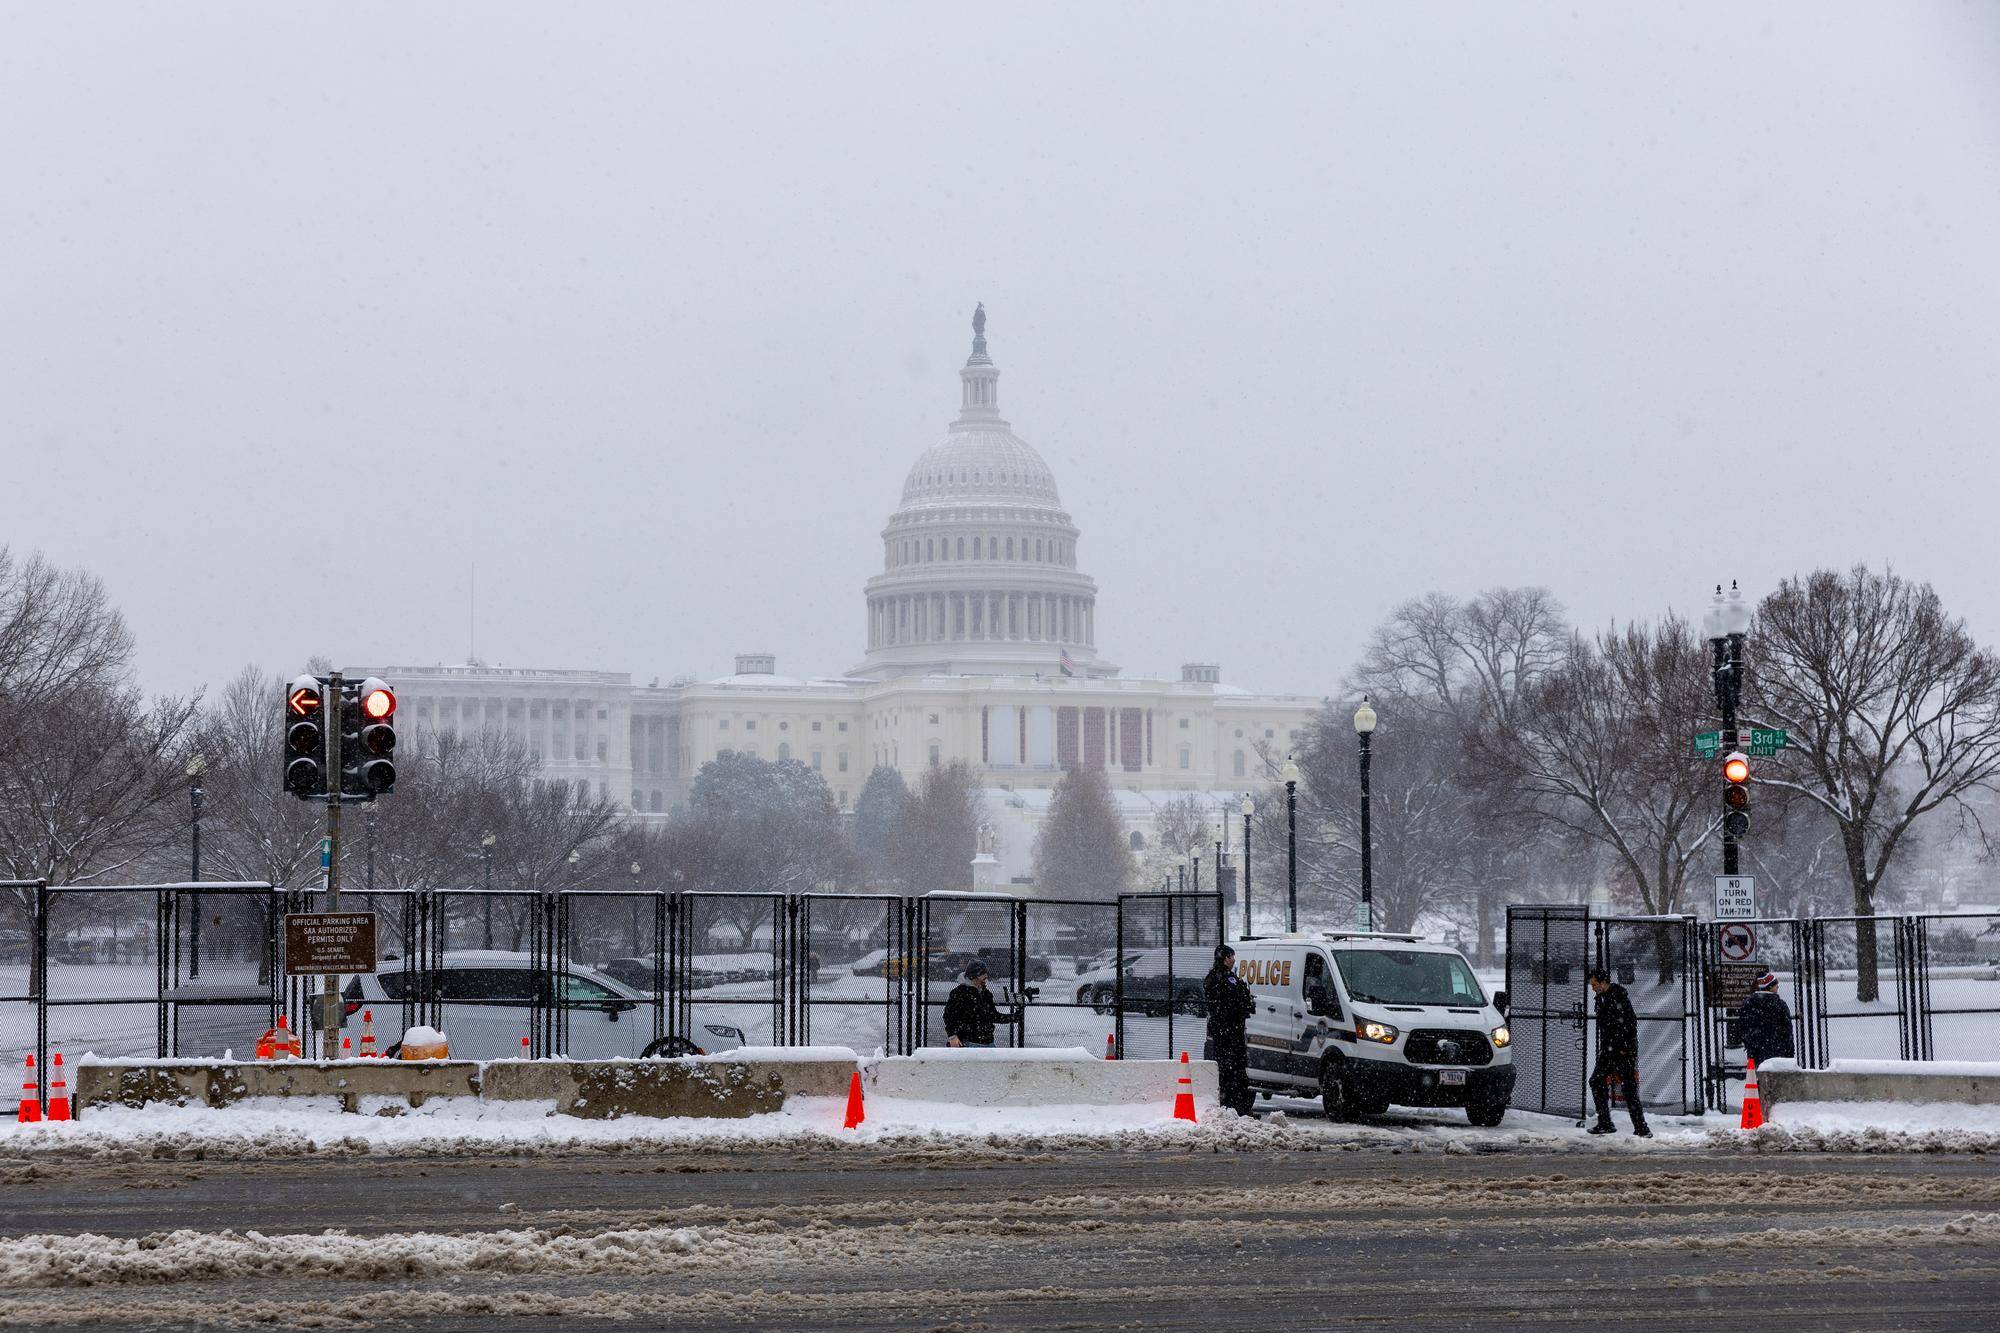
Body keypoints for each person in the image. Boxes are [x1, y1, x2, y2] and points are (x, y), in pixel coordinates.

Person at [1587, 966, 1649, 1138]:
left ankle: (1642, 1128)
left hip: (1622, 1051)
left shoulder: (1618, 996)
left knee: (1628, 1088)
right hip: (1608, 1050)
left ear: (1603, 982)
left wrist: (1623, 1048)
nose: (1592, 988)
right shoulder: (1601, 999)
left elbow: (1629, 1024)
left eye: (1594, 984)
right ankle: (1605, 1122)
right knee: (1596, 1081)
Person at [1203, 944, 1257, 1116]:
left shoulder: (1214, 977)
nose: (1234, 960)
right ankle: (1234, 1108)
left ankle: (1231, 1106)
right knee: (1233, 1070)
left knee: (1229, 1069)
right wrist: (1243, 1006)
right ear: (1225, 958)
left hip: (1225, 1030)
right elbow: (1234, 1000)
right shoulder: (1225, 978)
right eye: (1232, 957)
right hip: (1229, 1031)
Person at [944, 959, 1013, 1047]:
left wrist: (1013, 1017)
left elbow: (993, 1015)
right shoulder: (959, 993)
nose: (986, 977)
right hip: (969, 1042)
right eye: (982, 974)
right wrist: (952, 1036)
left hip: (988, 1042)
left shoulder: (986, 993)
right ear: (973, 976)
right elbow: (949, 1016)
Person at [1738, 970, 1795, 1069]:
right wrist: (1789, 1052)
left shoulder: (1748, 1005)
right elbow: (1787, 1031)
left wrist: (1750, 1045)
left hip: (1755, 1052)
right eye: (1775, 984)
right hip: (1778, 1052)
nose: (1777, 987)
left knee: (1757, 1080)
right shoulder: (1780, 1005)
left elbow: (1743, 1028)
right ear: (1770, 987)